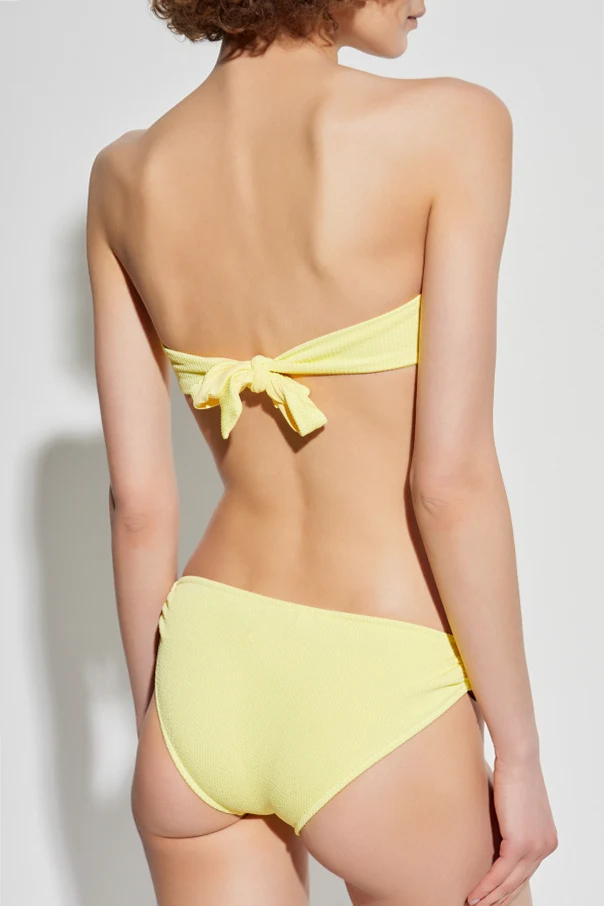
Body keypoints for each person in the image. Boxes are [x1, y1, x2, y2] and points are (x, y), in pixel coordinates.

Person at [86, 1, 558, 904]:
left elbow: (137, 507)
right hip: (380, 678)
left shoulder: (126, 176)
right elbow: (448, 483)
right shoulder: (452, 125)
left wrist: (166, 722)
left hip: (209, 668)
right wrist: (520, 751)